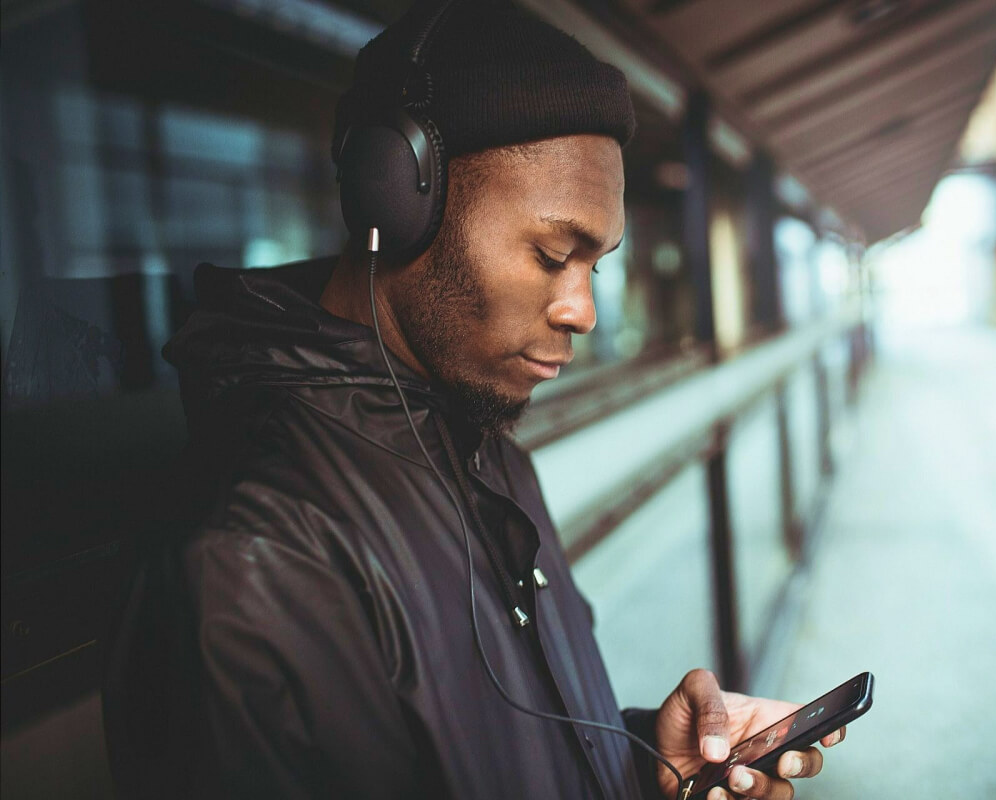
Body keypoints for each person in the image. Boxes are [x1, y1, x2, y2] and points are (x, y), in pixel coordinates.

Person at [103, 2, 844, 798]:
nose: (583, 311)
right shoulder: (252, 562)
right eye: (554, 254)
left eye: (595, 266)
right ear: (396, 203)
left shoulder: (486, 446)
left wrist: (648, 767)